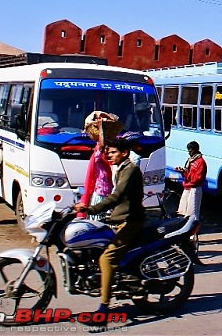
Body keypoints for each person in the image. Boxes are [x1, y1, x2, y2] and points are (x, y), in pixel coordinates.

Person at [74, 137, 145, 322]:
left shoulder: (129, 169)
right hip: (120, 219)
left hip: (130, 222)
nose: (109, 156)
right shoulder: (120, 168)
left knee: (106, 259)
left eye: (113, 153)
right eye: (108, 153)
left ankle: (103, 309)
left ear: (124, 153)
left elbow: (117, 196)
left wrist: (91, 209)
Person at [80, 112, 120, 220]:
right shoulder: (98, 152)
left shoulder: (110, 155)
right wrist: (101, 127)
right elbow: (101, 146)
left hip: (108, 194)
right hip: (101, 194)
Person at [175, 141, 207, 219]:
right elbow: (188, 175)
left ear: (195, 149)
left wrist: (186, 184)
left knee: (192, 213)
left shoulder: (200, 162)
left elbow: (197, 179)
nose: (189, 152)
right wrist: (183, 172)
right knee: (183, 210)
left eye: (190, 150)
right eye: (188, 150)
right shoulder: (191, 161)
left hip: (194, 189)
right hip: (188, 188)